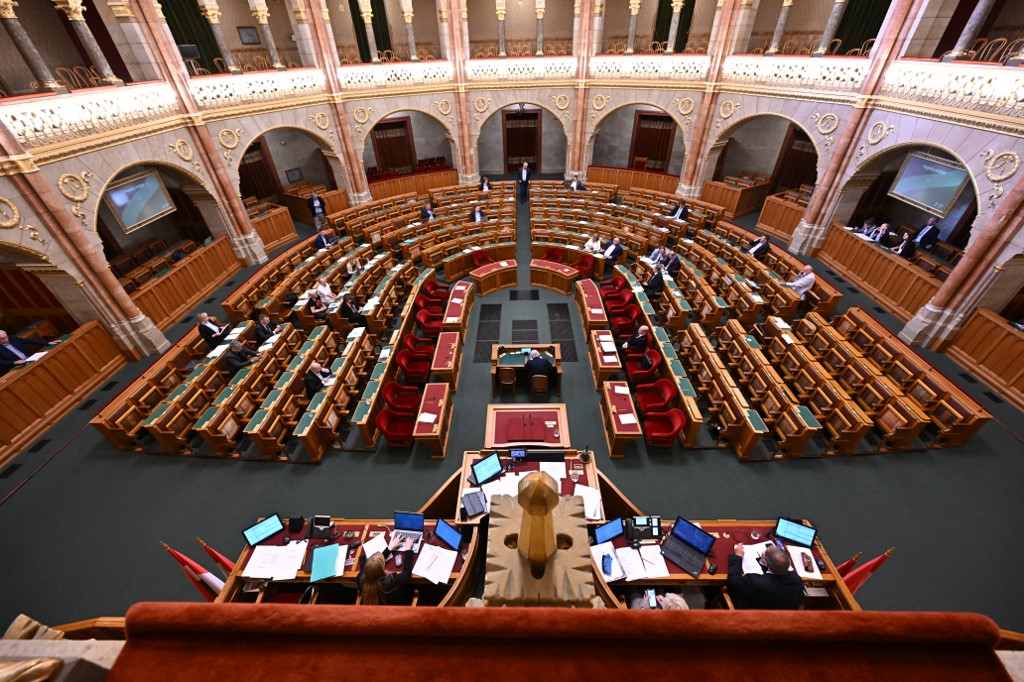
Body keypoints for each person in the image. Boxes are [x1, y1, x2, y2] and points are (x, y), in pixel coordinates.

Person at [727, 542, 804, 610]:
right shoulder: (797, 580)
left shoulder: (756, 582)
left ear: (766, 563)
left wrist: (738, 556)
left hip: (753, 616)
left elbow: (733, 579)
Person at [357, 535, 415, 606]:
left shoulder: (360, 579)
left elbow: (375, 565)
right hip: (396, 609)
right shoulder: (390, 580)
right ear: (381, 570)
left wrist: (389, 548)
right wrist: (408, 549)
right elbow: (407, 573)